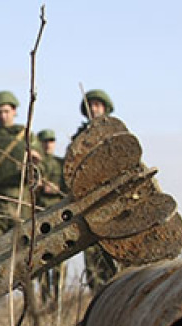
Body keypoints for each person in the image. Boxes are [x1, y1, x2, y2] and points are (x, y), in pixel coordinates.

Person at [0, 90, 45, 240]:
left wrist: (35, 164)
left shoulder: (26, 136)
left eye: (6, 111)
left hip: (21, 198)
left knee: (22, 244)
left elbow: (40, 173)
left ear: (14, 111)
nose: (3, 116)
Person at [76, 89, 120, 292]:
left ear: (105, 108)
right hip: (89, 200)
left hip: (113, 198)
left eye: (97, 105)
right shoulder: (79, 138)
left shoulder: (116, 132)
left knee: (115, 246)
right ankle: (96, 293)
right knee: (92, 251)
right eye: (90, 106)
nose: (94, 109)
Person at [35, 128, 67, 302]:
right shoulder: (36, 165)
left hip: (58, 215)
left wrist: (58, 189)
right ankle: (44, 296)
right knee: (41, 258)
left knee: (60, 256)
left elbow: (69, 188)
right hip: (40, 214)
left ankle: (58, 296)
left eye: (51, 141)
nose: (48, 144)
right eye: (45, 141)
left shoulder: (61, 164)